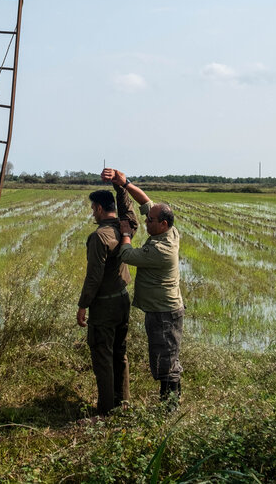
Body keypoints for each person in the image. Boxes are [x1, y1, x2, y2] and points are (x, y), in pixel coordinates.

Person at [101, 168, 184, 403]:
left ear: (163, 223)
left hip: (164, 313)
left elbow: (126, 255)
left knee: (166, 362)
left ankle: (170, 407)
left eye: (150, 220)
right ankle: (169, 403)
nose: (145, 222)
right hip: (160, 310)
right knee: (163, 357)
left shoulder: (160, 250)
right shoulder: (170, 232)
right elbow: (146, 201)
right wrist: (125, 183)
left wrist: (126, 233)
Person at [76, 189, 131, 415]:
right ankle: (123, 402)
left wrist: (83, 305)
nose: (92, 214)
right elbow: (130, 215)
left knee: (102, 357)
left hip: (105, 307)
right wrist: (122, 188)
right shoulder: (124, 228)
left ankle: (106, 411)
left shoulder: (99, 237)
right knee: (120, 352)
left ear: (99, 208)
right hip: (122, 300)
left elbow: (94, 277)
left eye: (92, 209)